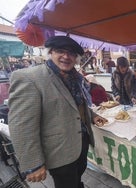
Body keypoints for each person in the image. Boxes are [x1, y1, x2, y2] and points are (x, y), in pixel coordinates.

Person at [8, 36, 107, 188]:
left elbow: (75, 104)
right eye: (60, 51)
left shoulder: (76, 77)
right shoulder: (29, 77)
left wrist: (92, 116)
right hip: (58, 150)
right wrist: (33, 163)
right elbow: (22, 126)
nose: (66, 56)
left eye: (72, 53)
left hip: (81, 141)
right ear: (51, 52)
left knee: (77, 177)